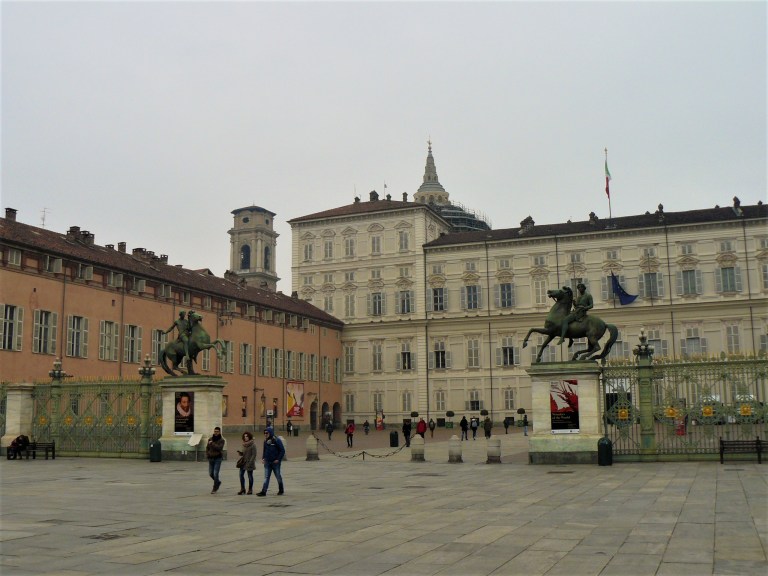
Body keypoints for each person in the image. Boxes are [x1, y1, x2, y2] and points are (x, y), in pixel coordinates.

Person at [256, 427, 285, 496]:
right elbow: (264, 451)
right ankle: (263, 491)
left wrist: (278, 459)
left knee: (278, 476)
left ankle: (281, 490)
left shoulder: (277, 440)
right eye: (264, 433)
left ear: (270, 433)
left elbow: (282, 450)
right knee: (266, 477)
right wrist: (263, 458)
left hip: (275, 463)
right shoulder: (265, 441)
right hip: (267, 462)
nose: (265, 434)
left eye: (267, 433)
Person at [206, 426, 225, 494]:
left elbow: (219, 448)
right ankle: (218, 482)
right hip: (211, 458)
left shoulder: (222, 440)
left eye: (217, 431)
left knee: (215, 473)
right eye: (215, 431)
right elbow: (207, 448)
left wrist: (212, 443)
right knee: (211, 473)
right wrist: (207, 454)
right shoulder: (210, 439)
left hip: (218, 458)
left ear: (219, 432)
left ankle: (215, 487)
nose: (215, 433)